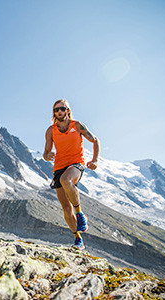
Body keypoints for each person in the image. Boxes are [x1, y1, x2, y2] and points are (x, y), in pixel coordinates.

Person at [43, 99, 100, 250]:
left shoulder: (77, 125)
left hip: (76, 164)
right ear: (54, 113)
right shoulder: (51, 130)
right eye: (56, 110)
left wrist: (94, 160)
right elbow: (46, 152)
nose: (59, 112)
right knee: (66, 208)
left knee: (66, 180)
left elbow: (95, 141)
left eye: (62, 108)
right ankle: (78, 239)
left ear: (67, 110)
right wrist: (47, 156)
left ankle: (80, 214)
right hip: (58, 167)